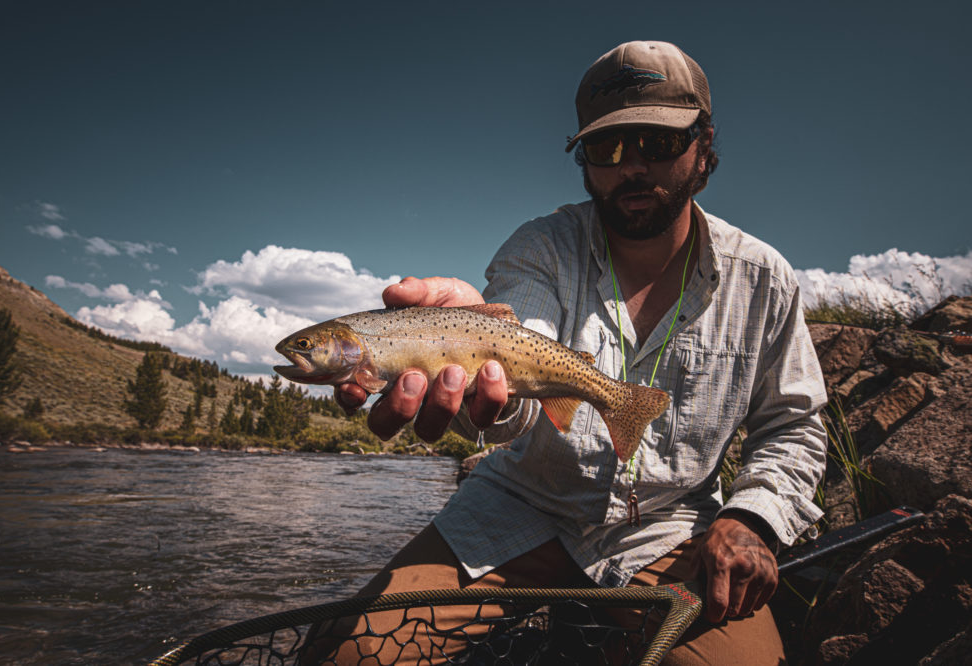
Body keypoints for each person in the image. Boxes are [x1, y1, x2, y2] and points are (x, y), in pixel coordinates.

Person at [327, 40, 827, 665]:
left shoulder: (763, 280)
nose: (632, 166)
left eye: (659, 141)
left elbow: (794, 424)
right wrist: (475, 353)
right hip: (518, 507)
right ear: (583, 159)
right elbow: (516, 379)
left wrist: (753, 517)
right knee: (350, 653)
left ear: (704, 147)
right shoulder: (539, 249)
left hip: (670, 528)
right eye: (607, 147)